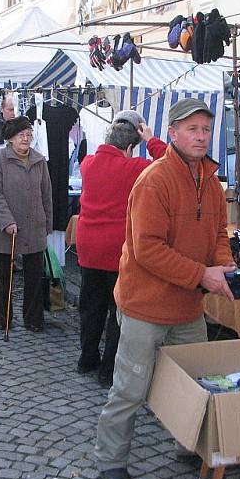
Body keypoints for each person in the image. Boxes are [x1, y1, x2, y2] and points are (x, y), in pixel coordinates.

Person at [94, 99, 236, 479]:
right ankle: (111, 461)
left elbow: (219, 235)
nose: (201, 136)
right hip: (145, 305)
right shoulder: (154, 179)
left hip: (188, 306)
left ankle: (187, 446)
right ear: (172, 133)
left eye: (206, 129)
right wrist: (203, 276)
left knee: (195, 384)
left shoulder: (211, 182)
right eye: (192, 129)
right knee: (130, 388)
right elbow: (148, 249)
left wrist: (223, 265)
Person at [76, 110, 167, 388]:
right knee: (118, 310)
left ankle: (87, 358)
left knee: (91, 307)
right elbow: (168, 161)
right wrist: (151, 139)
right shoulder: (134, 167)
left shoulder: (88, 163)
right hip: (116, 249)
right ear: (130, 146)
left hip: (88, 246)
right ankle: (108, 370)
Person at [0, 116, 53, 332]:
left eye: (29, 135)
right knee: (3, 277)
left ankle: (33, 319)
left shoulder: (39, 160)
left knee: (34, 276)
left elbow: (46, 194)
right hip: (3, 228)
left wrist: (47, 224)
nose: (26, 138)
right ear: (10, 138)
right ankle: (1, 317)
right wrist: (7, 221)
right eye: (21, 135)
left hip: (33, 226)